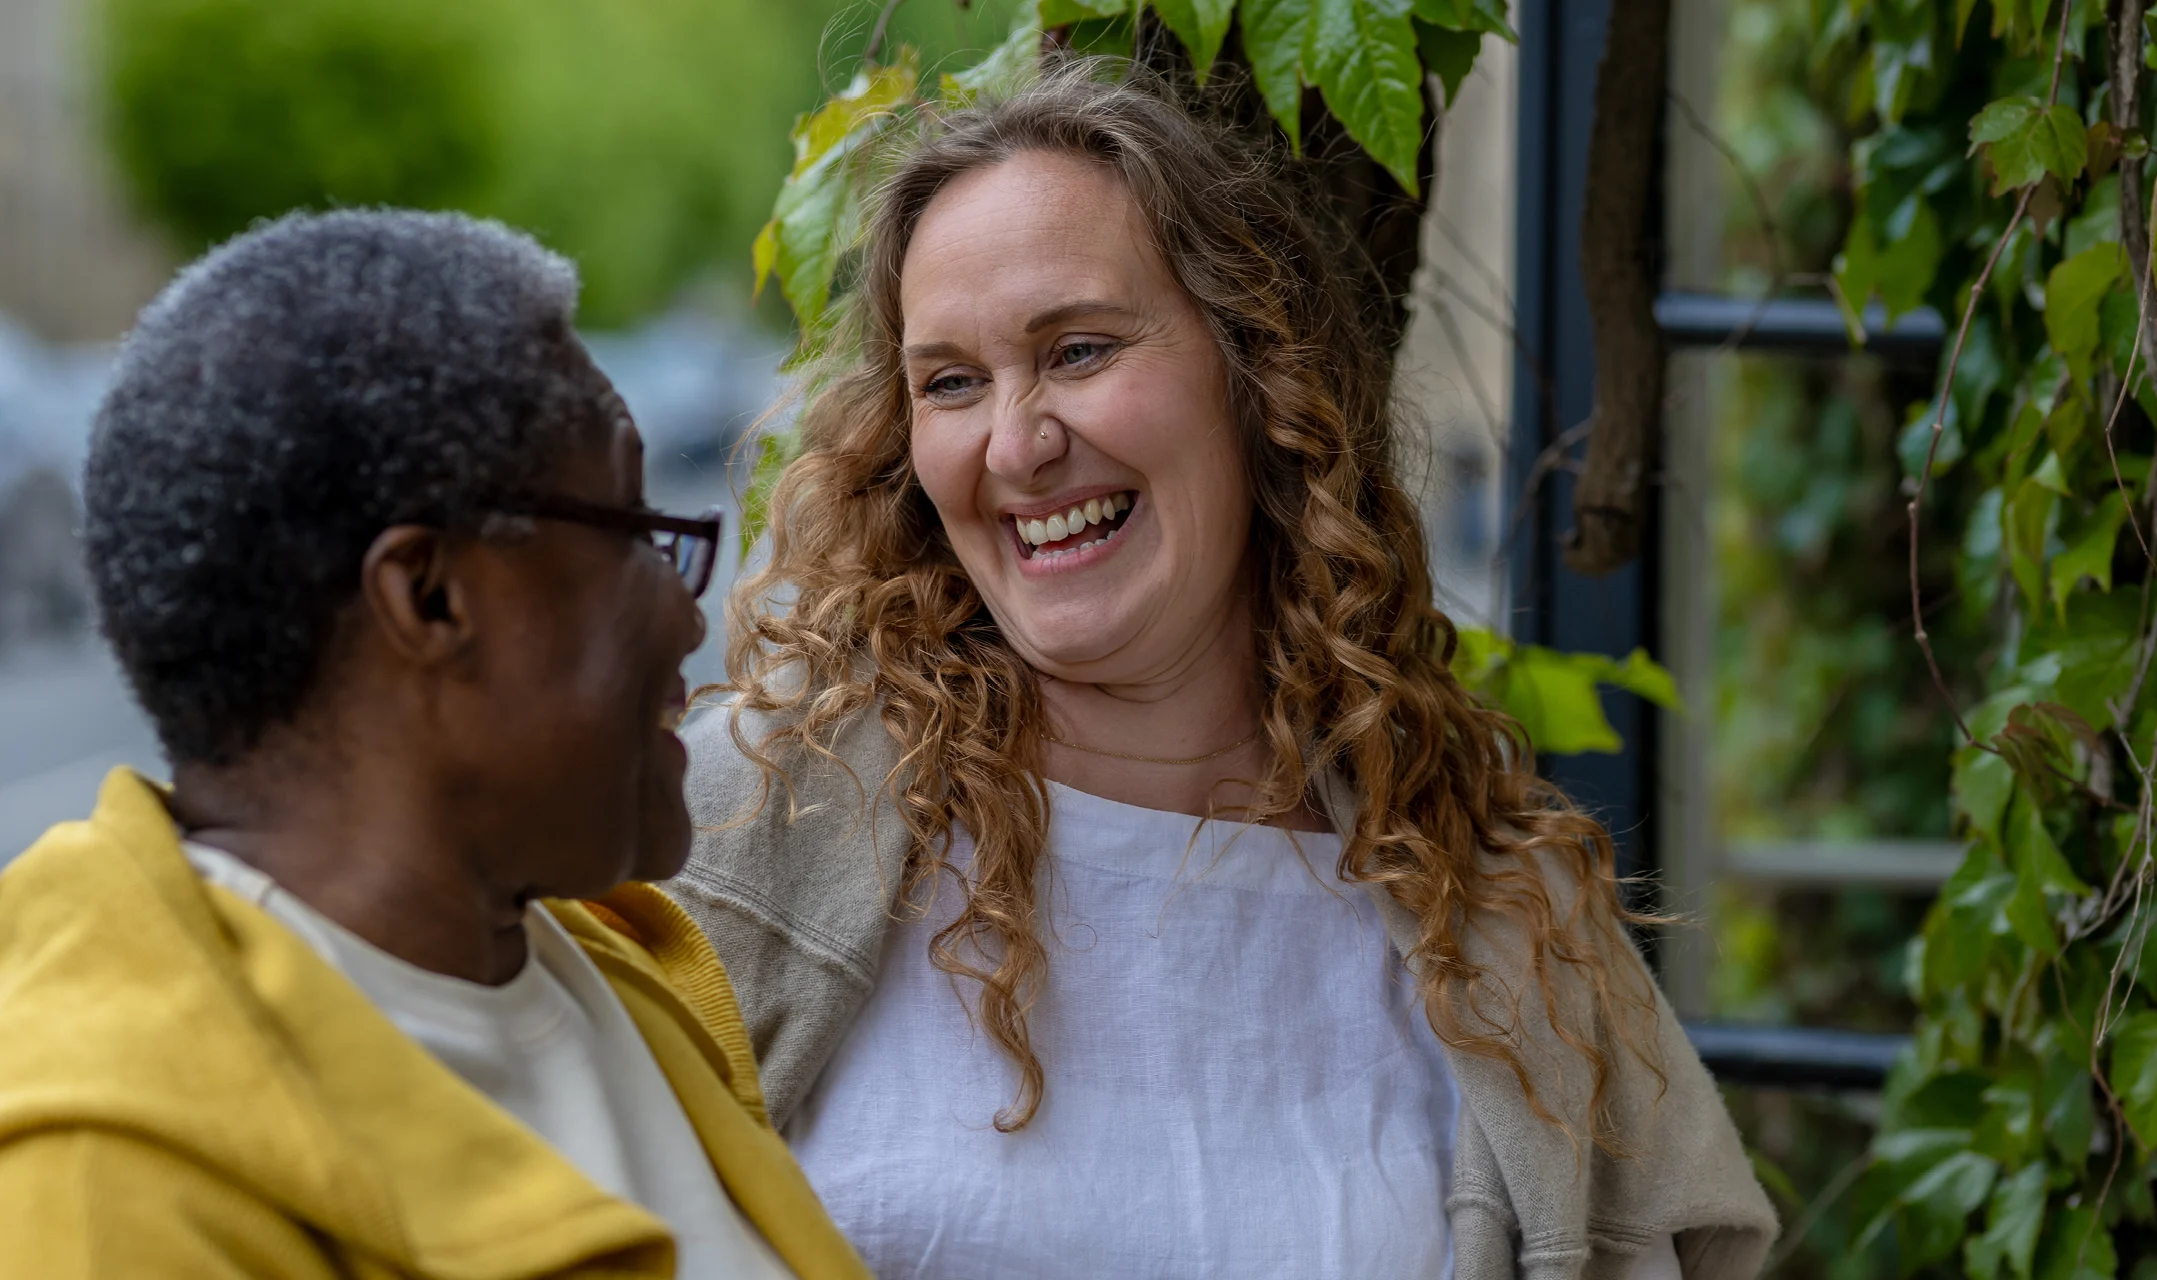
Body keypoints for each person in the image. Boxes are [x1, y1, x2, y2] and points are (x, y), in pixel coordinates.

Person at [674, 71, 1777, 1280]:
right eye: (949, 381)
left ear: (1256, 372)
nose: (1017, 442)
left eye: (1078, 349)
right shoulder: (746, 819)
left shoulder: (1501, 908)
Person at [0, 209, 869, 1280]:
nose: (690, 616)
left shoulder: (616, 975)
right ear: (430, 595)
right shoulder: (104, 1199)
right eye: (636, 531)